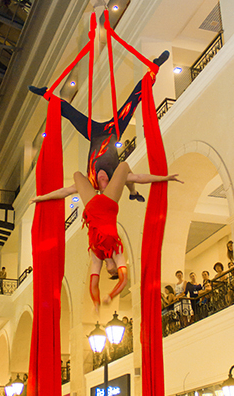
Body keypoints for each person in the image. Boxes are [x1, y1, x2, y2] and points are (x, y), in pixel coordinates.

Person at [31, 161, 181, 306]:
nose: (109, 271)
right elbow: (123, 281)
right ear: (117, 267)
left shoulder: (97, 257)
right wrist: (164, 178)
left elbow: (93, 285)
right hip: (109, 203)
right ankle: (133, 191)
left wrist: (41, 198)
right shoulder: (117, 251)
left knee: (77, 175)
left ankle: (130, 189)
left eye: (109, 273)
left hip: (92, 206)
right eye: (114, 272)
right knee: (123, 166)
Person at [29, 49, 171, 200]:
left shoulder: (89, 181)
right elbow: (138, 178)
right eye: (107, 183)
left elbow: (64, 192)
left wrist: (39, 198)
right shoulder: (116, 176)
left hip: (93, 133)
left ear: (98, 190)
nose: (104, 180)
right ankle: (153, 70)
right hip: (113, 131)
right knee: (133, 101)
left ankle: (46, 94)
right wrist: (161, 179)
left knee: (70, 113)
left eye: (102, 184)